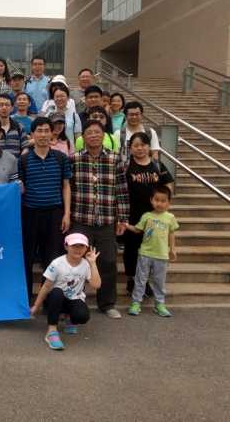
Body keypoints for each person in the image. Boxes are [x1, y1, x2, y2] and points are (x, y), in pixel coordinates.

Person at [70, 119, 129, 319]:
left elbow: (122, 190)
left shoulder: (115, 158)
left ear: (104, 135)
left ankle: (107, 304)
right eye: (89, 133)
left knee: (108, 263)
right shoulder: (74, 159)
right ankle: (75, 301)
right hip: (81, 219)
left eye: (97, 132)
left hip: (106, 220)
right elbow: (68, 189)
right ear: (83, 137)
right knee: (76, 262)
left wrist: (123, 219)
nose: (93, 136)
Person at [19, 117, 72, 303]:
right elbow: (21, 189)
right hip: (29, 215)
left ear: (52, 133)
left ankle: (48, 301)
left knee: (52, 260)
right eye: (39, 131)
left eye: (46, 131)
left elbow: (66, 186)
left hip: (54, 214)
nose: (43, 135)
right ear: (32, 134)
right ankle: (25, 300)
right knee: (26, 259)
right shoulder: (23, 160)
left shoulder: (61, 158)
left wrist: (66, 214)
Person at [123, 131, 174, 297]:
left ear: (149, 146)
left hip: (154, 216)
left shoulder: (157, 165)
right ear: (130, 148)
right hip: (132, 215)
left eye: (143, 145)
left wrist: (163, 206)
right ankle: (132, 279)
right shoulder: (125, 166)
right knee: (132, 248)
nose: (140, 148)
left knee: (151, 249)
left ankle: (144, 281)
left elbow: (167, 184)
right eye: (136, 145)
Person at [29, 234, 101, 350]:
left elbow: (96, 285)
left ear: (86, 248)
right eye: (73, 245)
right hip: (55, 300)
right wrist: (36, 306)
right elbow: (46, 286)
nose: (77, 249)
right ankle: (51, 332)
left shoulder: (86, 264)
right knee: (57, 292)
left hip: (74, 299)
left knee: (83, 316)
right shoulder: (57, 263)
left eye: (81, 246)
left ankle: (69, 318)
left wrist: (93, 263)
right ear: (66, 246)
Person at [126, 186, 178, 318]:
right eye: (156, 200)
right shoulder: (146, 216)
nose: (159, 203)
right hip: (145, 253)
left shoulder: (170, 217)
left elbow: (171, 233)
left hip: (161, 255)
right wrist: (124, 225)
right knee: (140, 279)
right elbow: (137, 229)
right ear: (151, 200)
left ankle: (159, 303)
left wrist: (172, 249)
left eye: (163, 201)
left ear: (169, 202)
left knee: (159, 281)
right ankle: (136, 302)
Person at [0, 94, 29, 159]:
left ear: (12, 108)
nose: (4, 108)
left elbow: (25, 148)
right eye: (1, 105)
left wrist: (20, 162)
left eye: (7, 105)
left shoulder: (19, 126)